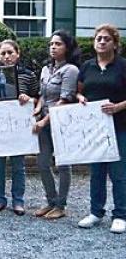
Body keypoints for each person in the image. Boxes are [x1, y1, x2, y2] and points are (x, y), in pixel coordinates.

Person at [76, 24, 126, 234]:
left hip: (120, 126)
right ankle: (96, 212)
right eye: (99, 39)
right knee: (96, 172)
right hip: (94, 129)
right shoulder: (87, 66)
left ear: (115, 43)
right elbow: (78, 92)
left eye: (107, 39)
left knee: (119, 173)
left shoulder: (123, 66)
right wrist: (80, 99)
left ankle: (121, 215)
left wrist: (118, 107)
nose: (102, 42)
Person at [32, 30, 80, 220]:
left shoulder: (71, 70)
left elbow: (64, 100)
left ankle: (61, 205)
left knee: (63, 164)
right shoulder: (45, 69)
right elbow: (43, 96)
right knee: (42, 163)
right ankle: (51, 201)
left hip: (60, 122)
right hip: (43, 120)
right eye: (51, 44)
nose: (53, 47)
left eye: (58, 44)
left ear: (67, 47)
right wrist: (37, 109)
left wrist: (44, 121)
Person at [0, 39, 39, 216]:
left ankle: (18, 201)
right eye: (3, 53)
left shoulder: (28, 75)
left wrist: (29, 99)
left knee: (18, 165)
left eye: (10, 52)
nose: (7, 56)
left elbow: (38, 98)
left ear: (18, 54)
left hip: (19, 127)